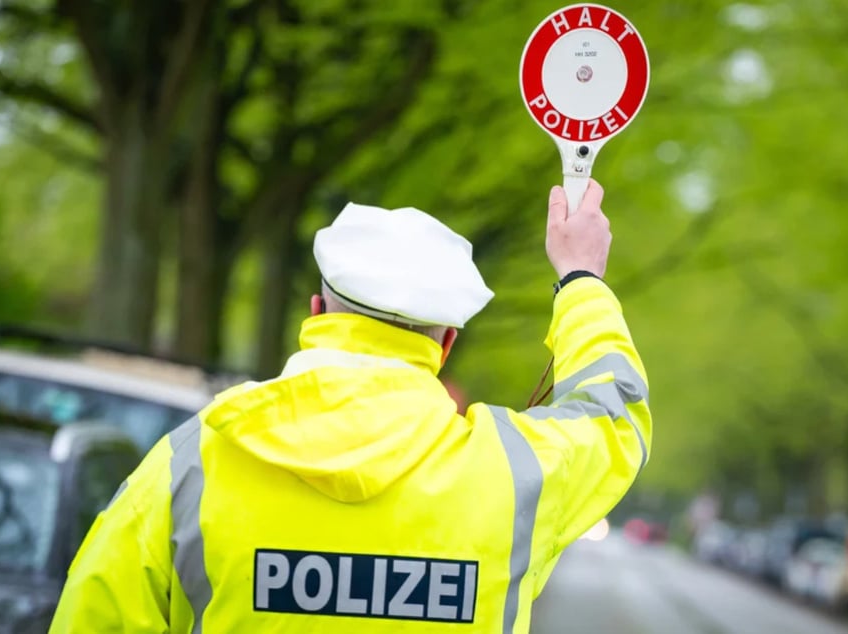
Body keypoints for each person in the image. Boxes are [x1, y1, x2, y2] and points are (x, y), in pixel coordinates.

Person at [49, 179, 651, 633]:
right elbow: (614, 414)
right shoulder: (513, 477)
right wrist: (580, 280)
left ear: (315, 313)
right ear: (446, 343)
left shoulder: (196, 459)